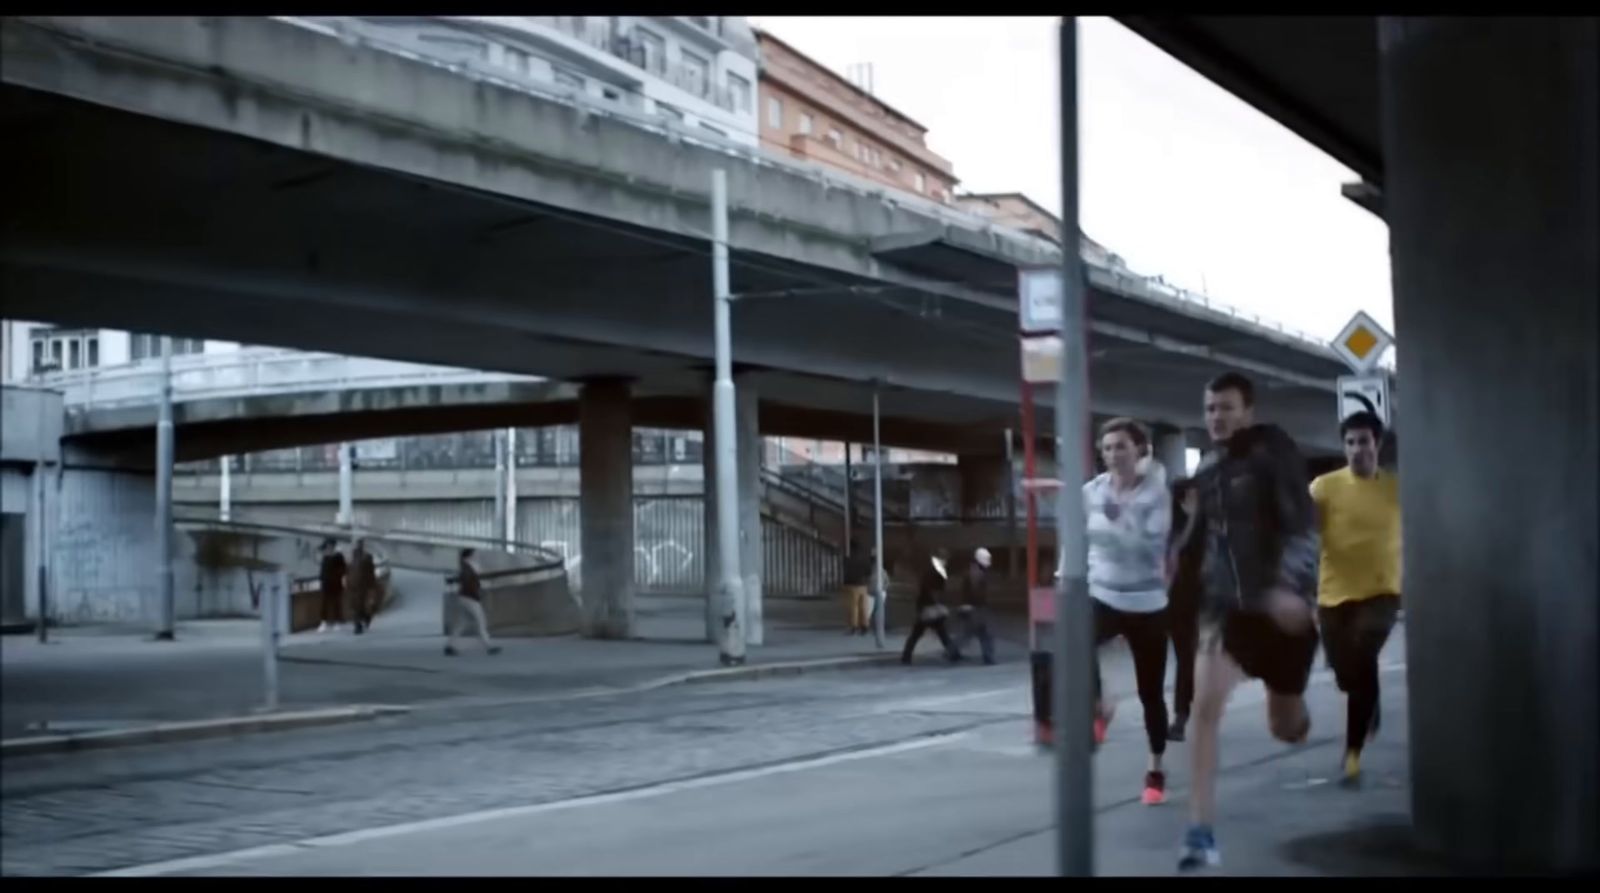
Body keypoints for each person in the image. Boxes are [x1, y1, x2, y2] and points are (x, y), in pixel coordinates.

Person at [1178, 372, 1321, 872]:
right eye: (1210, 408)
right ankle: (1200, 832)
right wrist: (1176, 563)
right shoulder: (1209, 468)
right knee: (1205, 710)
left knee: (1286, 726)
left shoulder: (1273, 453)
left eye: (1226, 407)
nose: (1216, 417)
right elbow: (1204, 535)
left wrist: (1290, 587)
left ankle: (1297, 715)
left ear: (1248, 411)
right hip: (1226, 609)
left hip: (1279, 610)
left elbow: (1302, 525)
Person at [1084, 418, 1174, 806]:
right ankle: (1101, 705)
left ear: (1140, 451)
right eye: (1107, 448)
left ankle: (1154, 771)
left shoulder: (1156, 495)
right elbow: (1080, 535)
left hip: (1147, 604)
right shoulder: (1092, 491)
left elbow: (1149, 546)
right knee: (1073, 643)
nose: (1113, 455)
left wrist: (1119, 522)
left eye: (1121, 446)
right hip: (1102, 594)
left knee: (1151, 693)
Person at [1311, 411, 1402, 786]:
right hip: (1333, 593)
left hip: (1382, 591)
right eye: (1350, 443)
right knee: (1347, 673)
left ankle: (1352, 754)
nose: (1356, 450)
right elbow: (1307, 535)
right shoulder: (1324, 487)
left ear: (1376, 444)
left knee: (1361, 658)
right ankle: (1370, 697)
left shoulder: (1396, 488)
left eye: (1363, 442)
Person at [1166, 477, 1203, 742]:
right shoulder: (1170, 523)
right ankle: (1181, 713)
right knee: (1184, 657)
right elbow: (1177, 550)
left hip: (1203, 600)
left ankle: (1185, 713)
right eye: (1192, 495)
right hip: (1174, 600)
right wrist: (1191, 518)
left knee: (1192, 658)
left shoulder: (1207, 523)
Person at [901, 548, 960, 665]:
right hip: (929, 607)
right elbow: (931, 590)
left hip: (927, 607)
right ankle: (953, 654)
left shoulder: (933, 571)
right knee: (928, 632)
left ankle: (906, 656)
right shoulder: (935, 572)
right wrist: (937, 603)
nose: (946, 562)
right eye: (944, 559)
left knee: (923, 633)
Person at [446, 547, 500, 656]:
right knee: (481, 621)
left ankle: (450, 646)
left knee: (461, 624)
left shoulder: (466, 566)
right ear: (469, 556)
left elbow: (465, 578)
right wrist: (476, 588)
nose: (476, 556)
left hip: (464, 597)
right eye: (474, 554)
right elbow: (467, 580)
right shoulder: (468, 566)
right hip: (470, 598)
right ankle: (489, 646)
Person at [953, 547, 997, 665]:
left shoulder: (973, 571)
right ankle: (988, 657)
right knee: (983, 633)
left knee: (970, 633)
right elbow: (976, 592)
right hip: (976, 608)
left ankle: (952, 652)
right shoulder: (976, 572)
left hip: (973, 607)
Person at [347, 538, 378, 634]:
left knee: (360, 606)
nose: (358, 546)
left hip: (363, 586)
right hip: (353, 586)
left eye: (360, 544)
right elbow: (349, 571)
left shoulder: (367, 557)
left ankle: (361, 622)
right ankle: (359, 623)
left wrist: (372, 587)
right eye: (357, 544)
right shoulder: (352, 558)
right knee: (355, 606)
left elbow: (371, 573)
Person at [316, 538, 347, 634]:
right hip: (325, 583)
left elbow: (344, 568)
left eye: (330, 546)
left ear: (333, 546)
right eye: (327, 546)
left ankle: (337, 622)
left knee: (336, 603)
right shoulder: (325, 556)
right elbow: (322, 570)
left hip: (336, 583)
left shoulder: (338, 556)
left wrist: (337, 575)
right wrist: (321, 578)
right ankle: (323, 622)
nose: (328, 548)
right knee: (324, 603)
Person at [842, 545, 873, 636]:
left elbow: (846, 571)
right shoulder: (864, 560)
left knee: (853, 607)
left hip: (852, 585)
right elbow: (869, 572)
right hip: (863, 585)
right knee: (863, 606)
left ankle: (854, 626)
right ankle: (865, 625)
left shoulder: (848, 560)